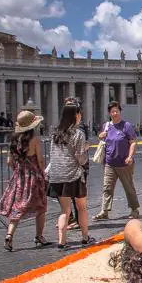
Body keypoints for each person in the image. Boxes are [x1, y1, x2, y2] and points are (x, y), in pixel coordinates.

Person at [0, 111, 50, 251]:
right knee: (41, 207)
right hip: (33, 178)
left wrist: (19, 166)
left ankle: (9, 235)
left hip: (19, 178)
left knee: (17, 208)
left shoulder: (14, 140)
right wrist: (42, 173)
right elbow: (40, 160)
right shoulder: (35, 140)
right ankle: (39, 236)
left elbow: (9, 161)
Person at [47, 103, 94, 249]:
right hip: (73, 176)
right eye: (79, 114)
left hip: (57, 175)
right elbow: (80, 158)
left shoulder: (55, 133)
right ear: (75, 115)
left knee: (64, 210)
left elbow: (53, 155)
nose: (80, 117)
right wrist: (85, 149)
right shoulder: (78, 134)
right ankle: (85, 237)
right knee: (81, 208)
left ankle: (62, 242)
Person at [93, 101, 139, 221]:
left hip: (124, 163)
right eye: (112, 111)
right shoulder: (107, 126)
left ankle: (134, 209)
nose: (114, 113)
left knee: (129, 187)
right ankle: (104, 211)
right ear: (109, 113)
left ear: (120, 112)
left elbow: (133, 142)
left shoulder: (126, 126)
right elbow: (102, 138)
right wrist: (100, 136)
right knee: (107, 188)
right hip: (109, 163)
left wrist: (130, 156)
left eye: (116, 111)